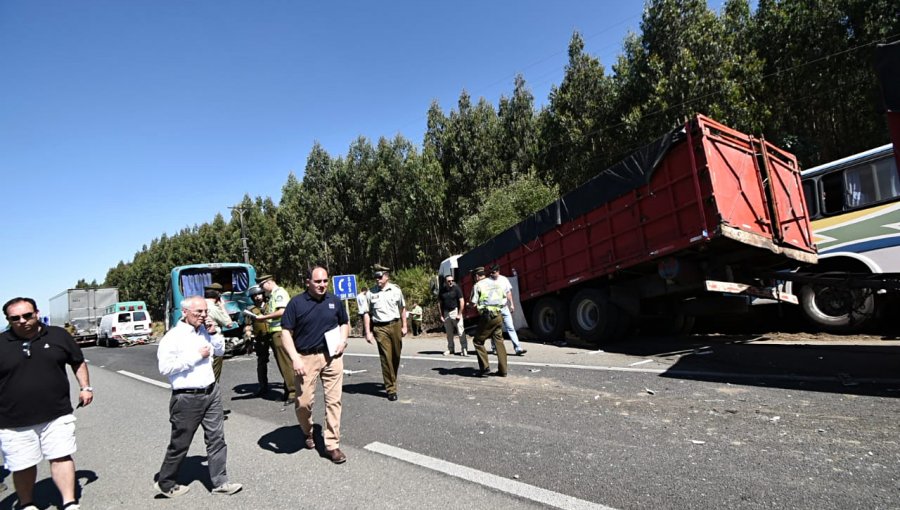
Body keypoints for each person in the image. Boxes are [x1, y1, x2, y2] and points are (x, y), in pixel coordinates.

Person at [0, 297, 93, 510]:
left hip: (56, 413)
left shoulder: (59, 335)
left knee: (61, 457)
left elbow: (77, 361)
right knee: (23, 465)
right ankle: (27, 504)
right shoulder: (1, 344)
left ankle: (69, 502)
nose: (22, 321)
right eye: (15, 318)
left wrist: (85, 387)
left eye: (27, 315)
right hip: (13, 421)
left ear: (36, 313)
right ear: (8, 320)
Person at [155, 296, 242, 498]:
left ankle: (220, 482)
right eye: (198, 313)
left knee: (217, 439)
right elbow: (165, 367)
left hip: (211, 392)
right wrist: (196, 356)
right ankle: (165, 482)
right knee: (180, 443)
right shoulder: (173, 337)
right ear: (184, 312)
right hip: (187, 397)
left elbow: (219, 351)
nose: (203, 316)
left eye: (205, 312)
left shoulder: (204, 330)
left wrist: (214, 333)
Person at [280, 266, 350, 464]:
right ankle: (308, 431)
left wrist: (343, 341)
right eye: (318, 282)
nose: (322, 285)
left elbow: (344, 322)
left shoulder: (334, 301)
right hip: (305, 358)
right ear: (308, 282)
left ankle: (332, 445)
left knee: (334, 401)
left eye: (325, 281)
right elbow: (286, 333)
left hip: (332, 357)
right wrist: (295, 358)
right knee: (303, 403)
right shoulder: (296, 304)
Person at [361, 265, 407, 401]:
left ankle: (392, 378)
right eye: (376, 277)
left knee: (396, 356)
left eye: (380, 277)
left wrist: (405, 326)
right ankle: (391, 389)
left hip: (395, 324)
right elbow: (366, 314)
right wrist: (368, 332)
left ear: (386, 276)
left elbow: (402, 308)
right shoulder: (370, 293)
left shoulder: (396, 290)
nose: (377, 279)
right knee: (386, 357)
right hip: (380, 328)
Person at [254, 274, 295, 404]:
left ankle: (293, 392)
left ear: (268, 282)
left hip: (280, 332)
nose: (262, 289)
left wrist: (263, 318)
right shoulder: (273, 295)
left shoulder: (279, 293)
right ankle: (288, 390)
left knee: (286, 363)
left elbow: (282, 311)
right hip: (275, 332)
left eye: (262, 285)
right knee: (282, 364)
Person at [471, 267, 509, 377]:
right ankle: (503, 370)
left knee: (478, 341)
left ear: (477, 276)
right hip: (498, 315)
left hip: (487, 317)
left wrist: (469, 306)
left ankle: (485, 368)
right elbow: (504, 299)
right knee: (499, 341)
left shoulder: (477, 285)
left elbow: (473, 303)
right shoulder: (495, 283)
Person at [489, 264, 527, 356]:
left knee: (510, 327)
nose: (492, 274)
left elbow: (508, 292)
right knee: (495, 329)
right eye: (491, 272)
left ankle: (518, 348)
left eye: (494, 272)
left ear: (498, 272)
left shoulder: (504, 280)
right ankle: (494, 347)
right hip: (494, 308)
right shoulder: (488, 282)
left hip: (504, 307)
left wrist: (512, 304)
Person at [204, 284, 235, 382]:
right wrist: (222, 307)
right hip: (214, 340)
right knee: (215, 371)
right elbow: (229, 324)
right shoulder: (213, 308)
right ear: (218, 295)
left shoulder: (200, 306)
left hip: (200, 340)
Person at [438, 274, 468, 356]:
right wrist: (441, 315)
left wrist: (459, 314)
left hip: (455, 311)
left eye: (452, 280)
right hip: (446, 313)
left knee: (461, 331)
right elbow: (439, 303)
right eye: (449, 281)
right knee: (449, 333)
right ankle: (450, 349)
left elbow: (462, 301)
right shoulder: (442, 290)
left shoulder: (456, 289)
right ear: (445, 282)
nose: (451, 282)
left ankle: (464, 348)